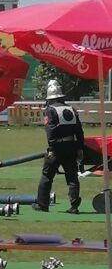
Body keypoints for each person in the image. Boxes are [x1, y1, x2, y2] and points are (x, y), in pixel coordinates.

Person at [33, 80, 84, 214]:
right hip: (71, 146)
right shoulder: (71, 109)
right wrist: (79, 148)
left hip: (56, 147)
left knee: (47, 176)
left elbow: (50, 131)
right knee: (72, 176)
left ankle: (42, 204)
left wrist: (51, 149)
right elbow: (79, 131)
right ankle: (74, 206)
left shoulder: (50, 110)